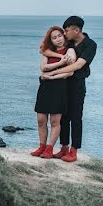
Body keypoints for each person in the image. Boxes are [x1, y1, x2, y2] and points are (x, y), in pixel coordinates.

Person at [40, 15, 98, 163]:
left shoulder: (90, 45)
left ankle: (74, 150)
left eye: (66, 31)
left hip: (77, 84)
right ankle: (64, 148)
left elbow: (78, 65)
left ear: (76, 30)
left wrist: (51, 73)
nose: (64, 34)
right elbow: (44, 50)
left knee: (76, 117)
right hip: (61, 84)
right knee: (63, 117)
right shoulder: (69, 42)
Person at [30, 26, 74, 157]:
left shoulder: (70, 50)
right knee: (41, 120)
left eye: (59, 36)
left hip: (59, 87)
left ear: (64, 36)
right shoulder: (47, 51)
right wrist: (60, 61)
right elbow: (43, 67)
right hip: (44, 87)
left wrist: (52, 75)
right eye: (54, 38)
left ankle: (49, 149)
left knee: (55, 121)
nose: (58, 39)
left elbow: (70, 71)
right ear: (50, 40)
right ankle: (41, 146)